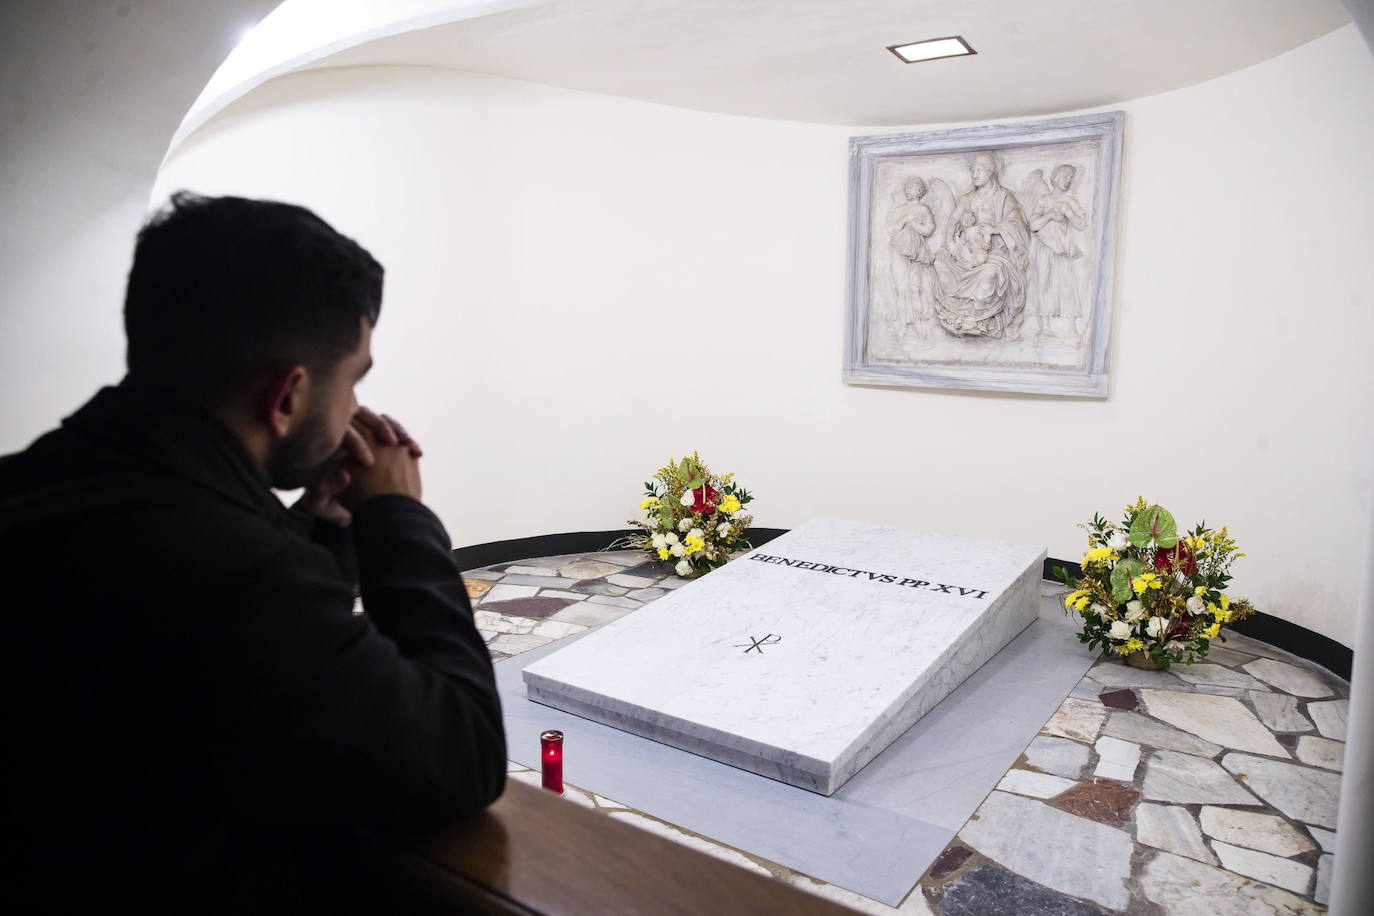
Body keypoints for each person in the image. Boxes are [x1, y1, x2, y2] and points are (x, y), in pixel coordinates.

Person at [0, 192, 506, 911]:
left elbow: (250, 659)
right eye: (354, 376)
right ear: (287, 397)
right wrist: (396, 516)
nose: (357, 405)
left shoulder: (42, 481)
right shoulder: (232, 577)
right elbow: (462, 755)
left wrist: (325, 526)